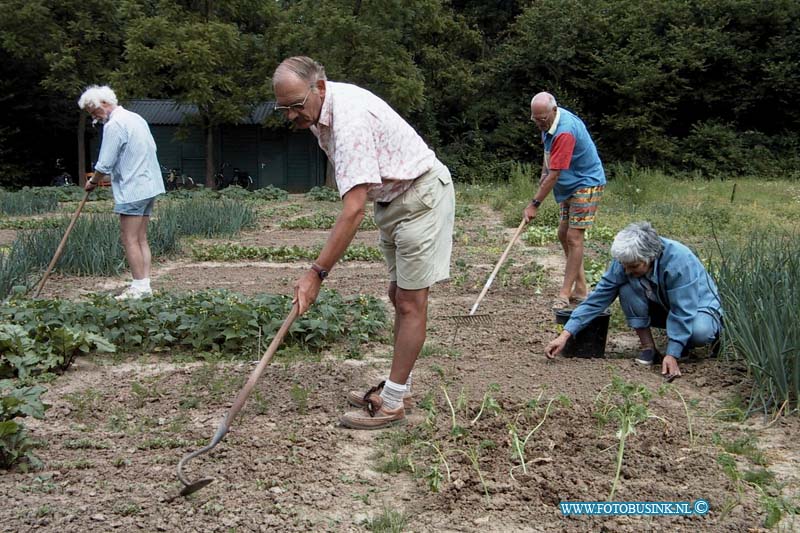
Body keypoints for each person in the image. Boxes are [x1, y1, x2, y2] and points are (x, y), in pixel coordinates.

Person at [272, 56, 455, 430]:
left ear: (318, 88)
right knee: (397, 295)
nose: (291, 116)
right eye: (284, 109)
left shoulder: (350, 119)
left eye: (295, 106)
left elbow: (353, 209)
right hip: (393, 199)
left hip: (421, 195)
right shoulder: (320, 111)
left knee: (410, 301)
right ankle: (398, 388)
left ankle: (393, 402)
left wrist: (316, 274)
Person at [545, 222, 723, 380]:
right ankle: (649, 348)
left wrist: (672, 354)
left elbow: (683, 309)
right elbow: (597, 299)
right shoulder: (626, 261)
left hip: (698, 305)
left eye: (634, 266)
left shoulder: (679, 262)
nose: (627, 270)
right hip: (663, 304)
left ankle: (689, 342)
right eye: (624, 265)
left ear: (651, 257)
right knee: (626, 287)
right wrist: (565, 335)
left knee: (699, 332)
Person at [78, 85, 165, 300]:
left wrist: (93, 181)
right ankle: (144, 285)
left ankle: (139, 287)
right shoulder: (136, 118)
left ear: (104, 103)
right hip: (149, 185)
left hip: (133, 188)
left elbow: (105, 162)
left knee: (129, 238)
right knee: (141, 238)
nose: (94, 117)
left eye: (93, 111)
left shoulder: (115, 124)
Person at [523, 92, 606, 309]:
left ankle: (565, 293)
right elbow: (548, 156)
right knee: (563, 233)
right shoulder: (547, 124)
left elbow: (555, 174)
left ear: (553, 111)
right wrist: (542, 175)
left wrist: (534, 204)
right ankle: (581, 289)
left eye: (542, 118)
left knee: (574, 237)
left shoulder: (565, 131)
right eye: (535, 118)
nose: (538, 123)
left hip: (586, 182)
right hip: (570, 183)